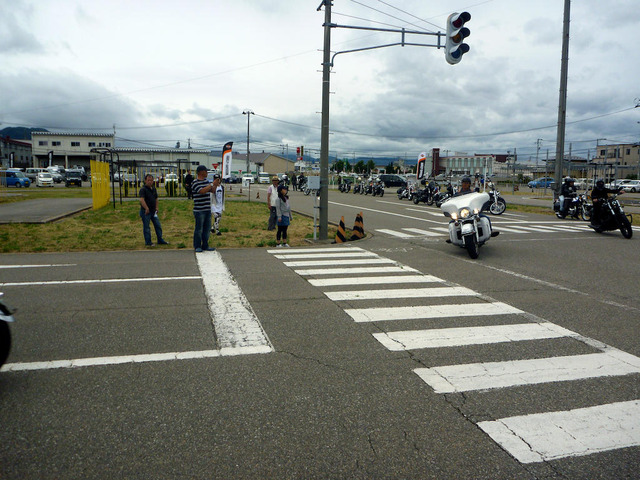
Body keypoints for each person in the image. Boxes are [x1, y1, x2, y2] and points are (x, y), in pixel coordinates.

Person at [139, 174, 169, 247]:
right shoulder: (143, 190)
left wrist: (156, 207)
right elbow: (142, 200)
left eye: (151, 180)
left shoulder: (153, 189)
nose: (150, 182)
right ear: (145, 181)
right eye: (148, 180)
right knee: (147, 227)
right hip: (146, 212)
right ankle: (148, 242)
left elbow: (156, 199)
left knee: (158, 225)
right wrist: (146, 208)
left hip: (153, 211)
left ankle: (160, 239)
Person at [191, 165, 216, 252]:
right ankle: (197, 245)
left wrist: (215, 185)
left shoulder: (206, 181)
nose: (206, 173)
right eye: (205, 171)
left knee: (207, 229)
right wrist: (211, 185)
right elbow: (202, 191)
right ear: (201, 172)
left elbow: (212, 191)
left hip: (207, 209)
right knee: (199, 229)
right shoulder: (195, 182)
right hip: (199, 210)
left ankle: (205, 245)